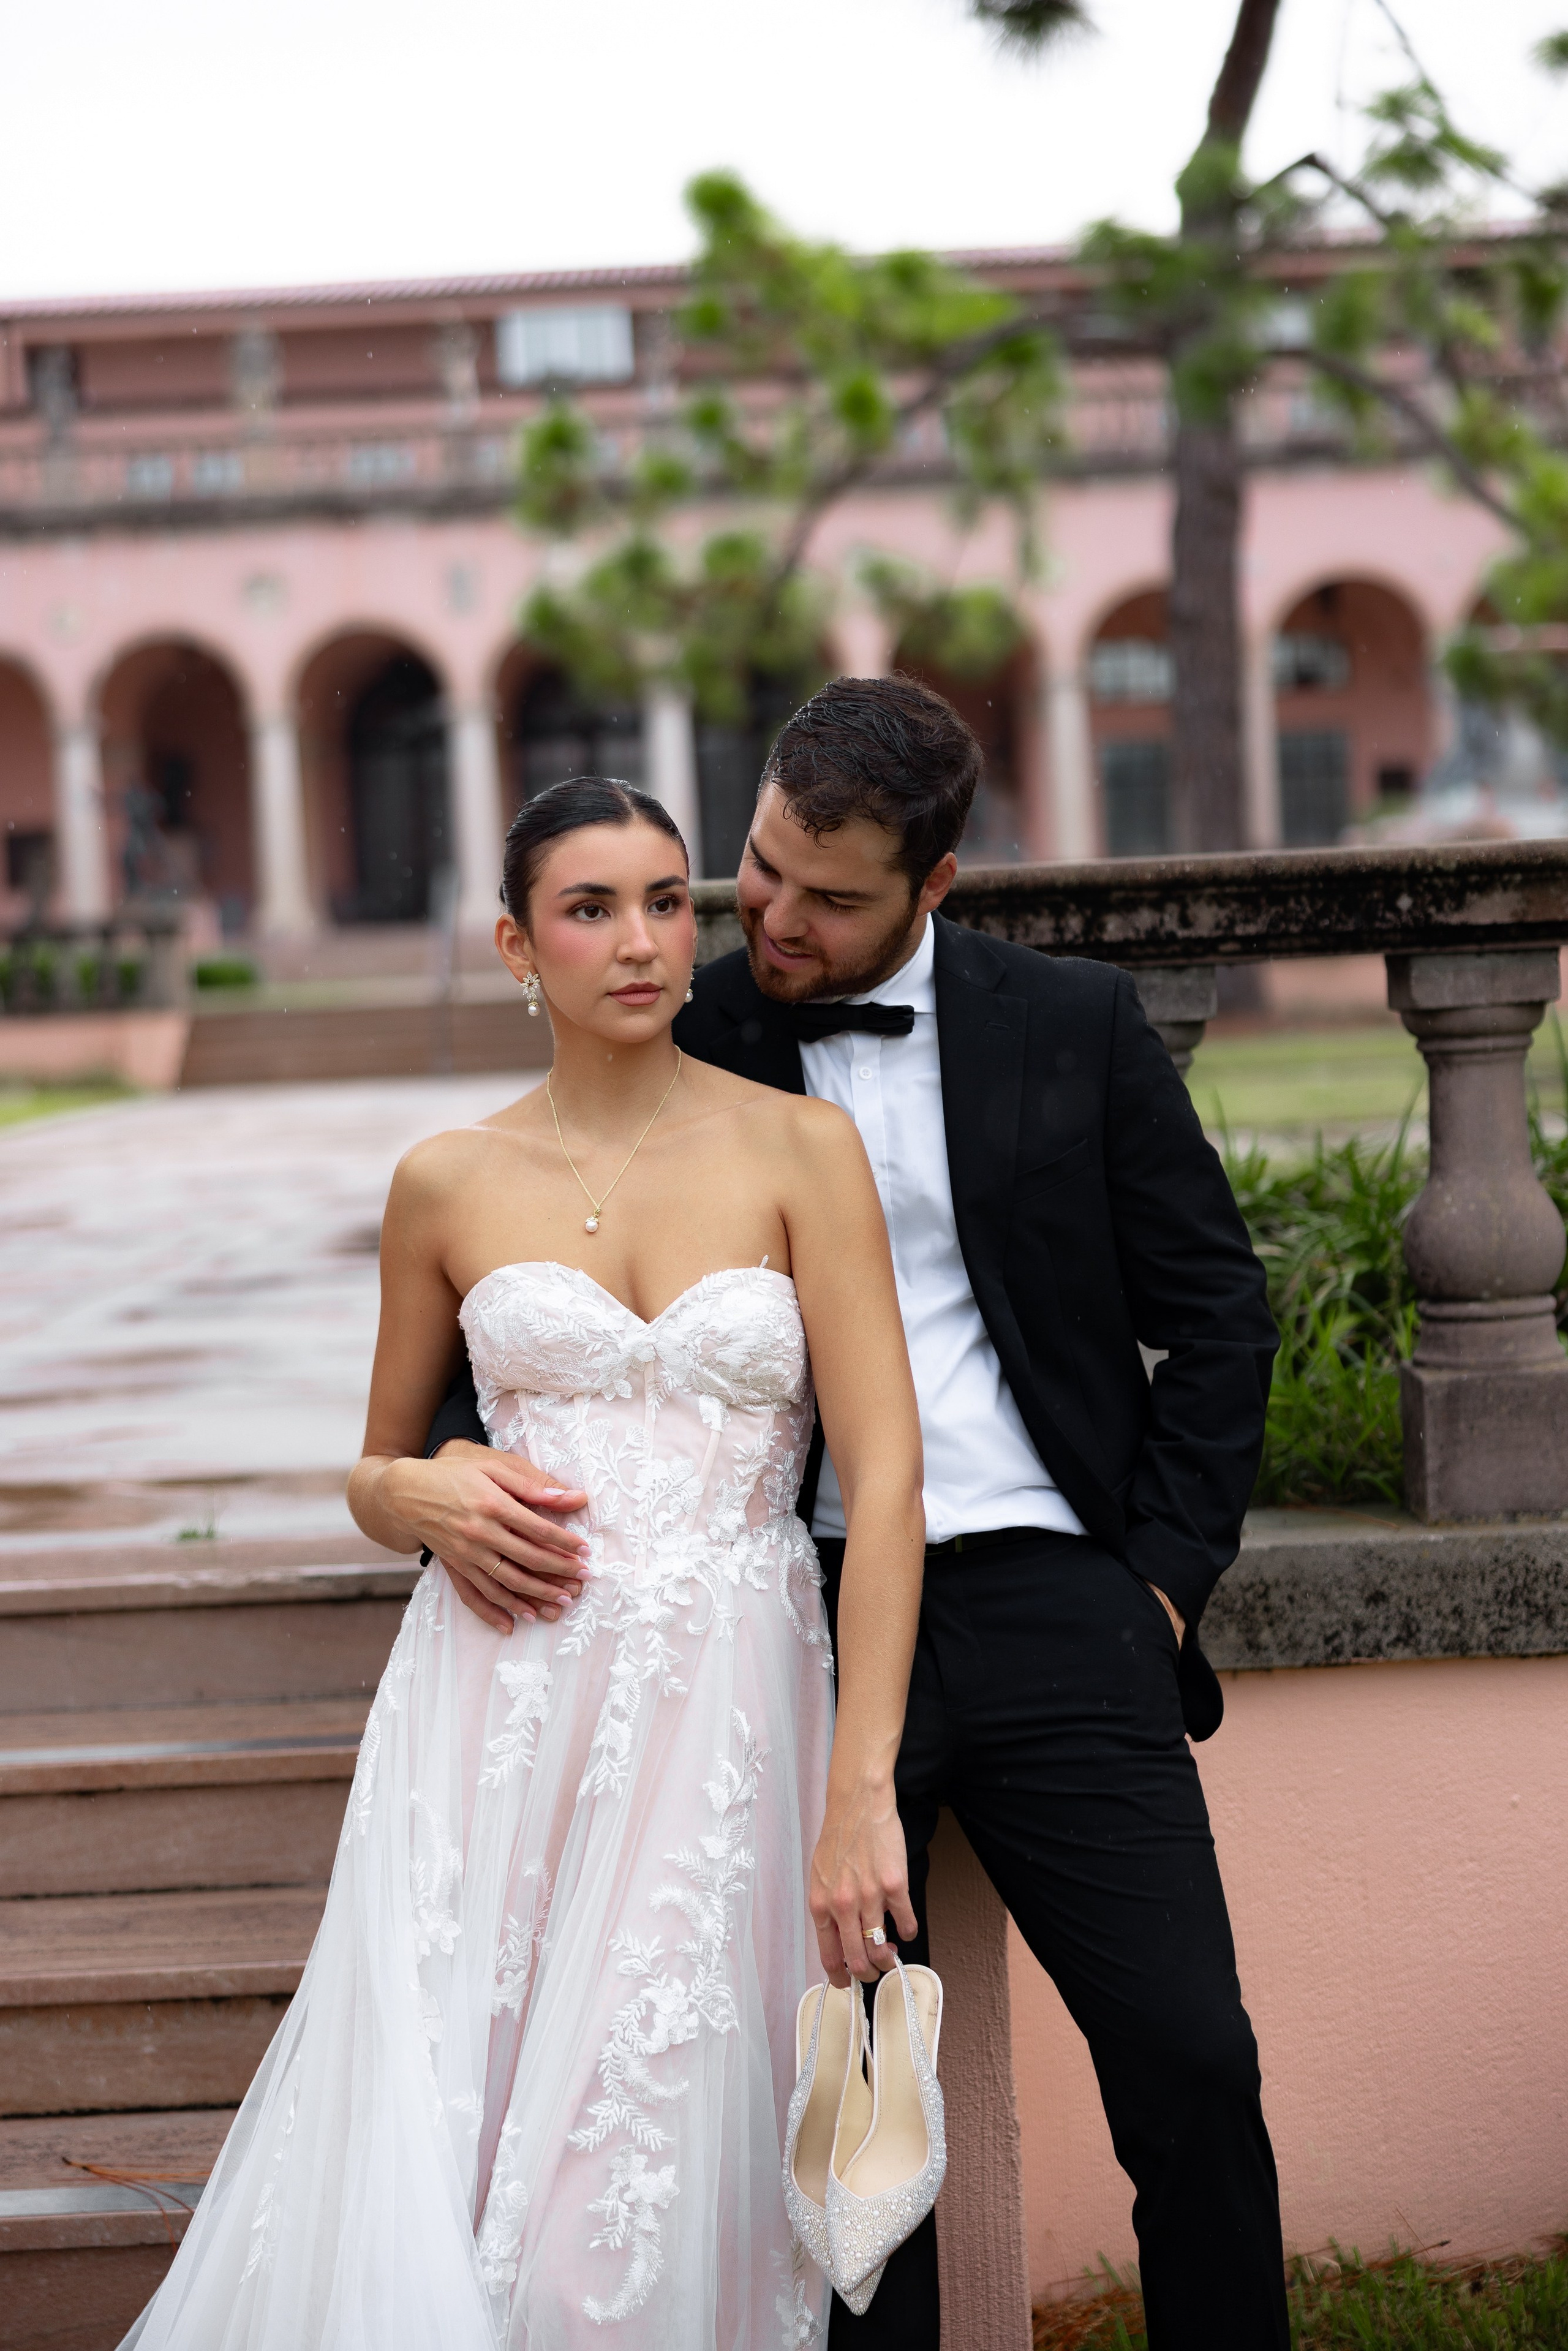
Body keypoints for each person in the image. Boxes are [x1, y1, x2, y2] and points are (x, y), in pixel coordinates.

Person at [418, 678, 1289, 2351]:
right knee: (832, 2095)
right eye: (759, 870)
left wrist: (1163, 1582)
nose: (773, 919)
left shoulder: (1076, 1022)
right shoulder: (694, 1023)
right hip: (781, 1620)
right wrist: (444, 1466)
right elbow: (530, 1283)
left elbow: (1219, 1311)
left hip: (1058, 1602)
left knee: (1191, 2050)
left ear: (937, 885)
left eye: (833, 898)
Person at [119, 777, 927, 2351]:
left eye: (665, 901)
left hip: (727, 1718)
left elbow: (884, 1480)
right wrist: (421, 1494)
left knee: (617, 2217)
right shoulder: (444, 1178)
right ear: (513, 943)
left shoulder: (799, 1149)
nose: (642, 941)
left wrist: (859, 1786)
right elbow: (374, 1463)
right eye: (589, 908)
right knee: (451, 2154)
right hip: (491, 1717)